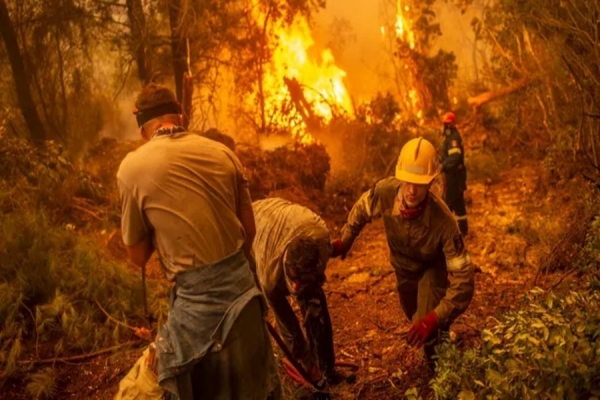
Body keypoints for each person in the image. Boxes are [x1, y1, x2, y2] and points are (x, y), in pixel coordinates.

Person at [117, 83, 280, 399]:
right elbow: (249, 230)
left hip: (195, 316)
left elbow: (137, 256)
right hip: (244, 303)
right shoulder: (224, 153)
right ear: (181, 116)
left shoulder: (132, 168)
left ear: (143, 131)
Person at [330, 137, 475, 370]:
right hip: (404, 269)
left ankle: (441, 373)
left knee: (426, 327)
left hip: (432, 270)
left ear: (430, 183)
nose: (411, 190)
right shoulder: (385, 192)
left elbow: (464, 283)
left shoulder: (444, 222)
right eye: (407, 181)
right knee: (412, 314)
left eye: (419, 183)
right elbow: (361, 209)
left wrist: (433, 319)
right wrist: (345, 241)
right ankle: (439, 328)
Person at [251, 197, 340, 387]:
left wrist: (313, 301)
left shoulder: (322, 242)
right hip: (252, 224)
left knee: (315, 304)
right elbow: (288, 326)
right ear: (286, 262)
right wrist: (308, 364)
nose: (296, 286)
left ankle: (328, 368)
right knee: (256, 305)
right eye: (293, 278)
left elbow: (315, 287)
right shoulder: (270, 274)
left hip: (291, 219)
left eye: (302, 279)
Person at [440, 111, 468, 236]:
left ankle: (449, 231)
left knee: (450, 203)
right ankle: (462, 230)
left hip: (455, 176)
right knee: (457, 204)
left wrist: (443, 165)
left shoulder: (453, 139)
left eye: (447, 124)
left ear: (451, 124)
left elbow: (455, 157)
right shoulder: (450, 138)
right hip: (453, 176)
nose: (445, 127)